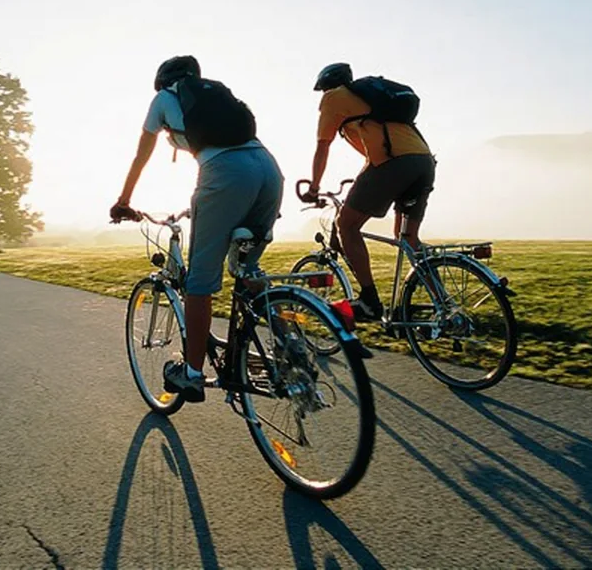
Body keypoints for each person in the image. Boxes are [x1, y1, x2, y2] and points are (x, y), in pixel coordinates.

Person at [111, 55, 284, 402]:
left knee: (199, 282)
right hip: (268, 169)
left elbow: (140, 156)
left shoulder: (164, 99)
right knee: (246, 269)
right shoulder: (216, 97)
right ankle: (289, 347)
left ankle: (191, 374)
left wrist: (123, 202)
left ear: (162, 80)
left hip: (225, 174)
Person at [299, 62, 435, 322]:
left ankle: (370, 302)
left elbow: (322, 147)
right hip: (424, 162)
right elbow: (375, 153)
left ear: (325, 86)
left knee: (346, 225)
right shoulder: (370, 104)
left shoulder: (333, 98)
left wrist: (314, 188)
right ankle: (442, 302)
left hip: (396, 163)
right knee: (407, 238)